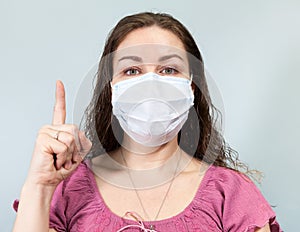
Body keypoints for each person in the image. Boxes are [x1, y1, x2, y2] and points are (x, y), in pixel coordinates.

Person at [13, 12, 281, 232]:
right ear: (111, 89)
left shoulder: (230, 193)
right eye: (132, 70)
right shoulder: (68, 188)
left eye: (168, 69)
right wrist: (39, 185)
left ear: (192, 87)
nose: (151, 84)